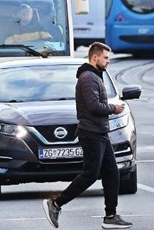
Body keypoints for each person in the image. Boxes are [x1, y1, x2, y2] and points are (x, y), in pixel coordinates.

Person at [42, 42, 132, 229]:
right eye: (106, 58)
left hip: (99, 132)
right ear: (95, 57)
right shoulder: (88, 78)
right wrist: (113, 109)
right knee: (90, 174)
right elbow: (94, 106)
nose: (108, 62)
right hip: (91, 133)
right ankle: (56, 203)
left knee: (112, 173)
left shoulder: (95, 76)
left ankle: (110, 215)